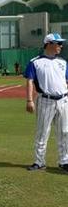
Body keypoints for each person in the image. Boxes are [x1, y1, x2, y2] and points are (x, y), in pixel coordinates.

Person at [24, 33, 68, 172]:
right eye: (58, 43)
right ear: (49, 44)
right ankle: (39, 161)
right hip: (45, 100)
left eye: (61, 43)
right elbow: (30, 81)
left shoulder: (63, 62)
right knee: (42, 132)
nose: (61, 46)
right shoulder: (35, 62)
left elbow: (66, 81)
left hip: (63, 100)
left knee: (64, 132)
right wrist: (30, 100)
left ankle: (64, 161)